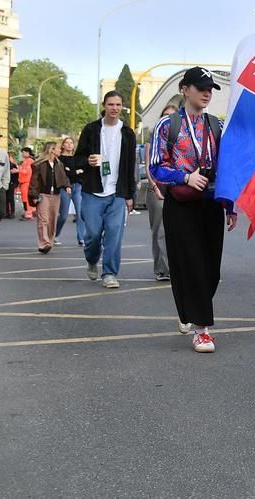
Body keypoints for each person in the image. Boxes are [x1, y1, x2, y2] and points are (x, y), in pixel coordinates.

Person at [149, 67, 237, 353]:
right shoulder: (168, 125)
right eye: (201, 87)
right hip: (182, 203)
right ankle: (202, 330)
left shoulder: (216, 125)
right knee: (192, 264)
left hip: (211, 202)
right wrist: (184, 177)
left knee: (211, 270)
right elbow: (155, 166)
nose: (207, 93)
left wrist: (230, 205)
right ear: (185, 89)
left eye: (210, 88)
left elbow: (226, 168)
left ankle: (190, 308)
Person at [75, 91, 137, 289]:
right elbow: (77, 159)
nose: (115, 108)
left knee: (114, 234)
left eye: (118, 105)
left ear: (122, 107)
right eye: (111, 104)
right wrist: (87, 161)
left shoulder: (127, 133)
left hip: (117, 192)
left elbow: (130, 166)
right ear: (104, 105)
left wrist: (130, 195)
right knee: (92, 233)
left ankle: (109, 273)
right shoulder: (91, 129)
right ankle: (92, 259)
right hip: (93, 191)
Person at [145, 104, 178, 281]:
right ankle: (162, 269)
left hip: (178, 188)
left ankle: (178, 266)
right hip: (158, 188)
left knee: (178, 230)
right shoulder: (154, 137)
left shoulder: (183, 136)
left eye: (172, 116)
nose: (168, 120)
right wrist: (154, 186)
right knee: (160, 231)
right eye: (165, 116)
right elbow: (149, 165)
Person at [28, 141, 71, 254]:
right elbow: (34, 181)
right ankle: (44, 243)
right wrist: (34, 195)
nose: (60, 150)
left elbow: (64, 177)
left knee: (52, 220)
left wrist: (67, 186)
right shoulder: (39, 164)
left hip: (55, 195)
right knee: (43, 219)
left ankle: (49, 243)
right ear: (52, 150)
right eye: (57, 148)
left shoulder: (59, 163)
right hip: (43, 194)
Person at [55, 136, 86, 247]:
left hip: (78, 186)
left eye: (71, 143)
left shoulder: (77, 158)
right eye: (67, 143)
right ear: (63, 145)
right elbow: (64, 174)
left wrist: (74, 171)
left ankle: (81, 238)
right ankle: (56, 234)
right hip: (65, 187)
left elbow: (83, 172)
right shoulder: (59, 159)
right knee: (63, 215)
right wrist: (75, 172)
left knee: (80, 213)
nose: (69, 145)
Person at [17, 147, 36, 220]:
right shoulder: (28, 160)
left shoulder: (29, 161)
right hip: (25, 182)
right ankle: (30, 211)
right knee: (26, 198)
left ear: (28, 152)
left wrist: (18, 170)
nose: (22, 154)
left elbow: (27, 172)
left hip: (26, 182)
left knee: (26, 198)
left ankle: (28, 213)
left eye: (23, 152)